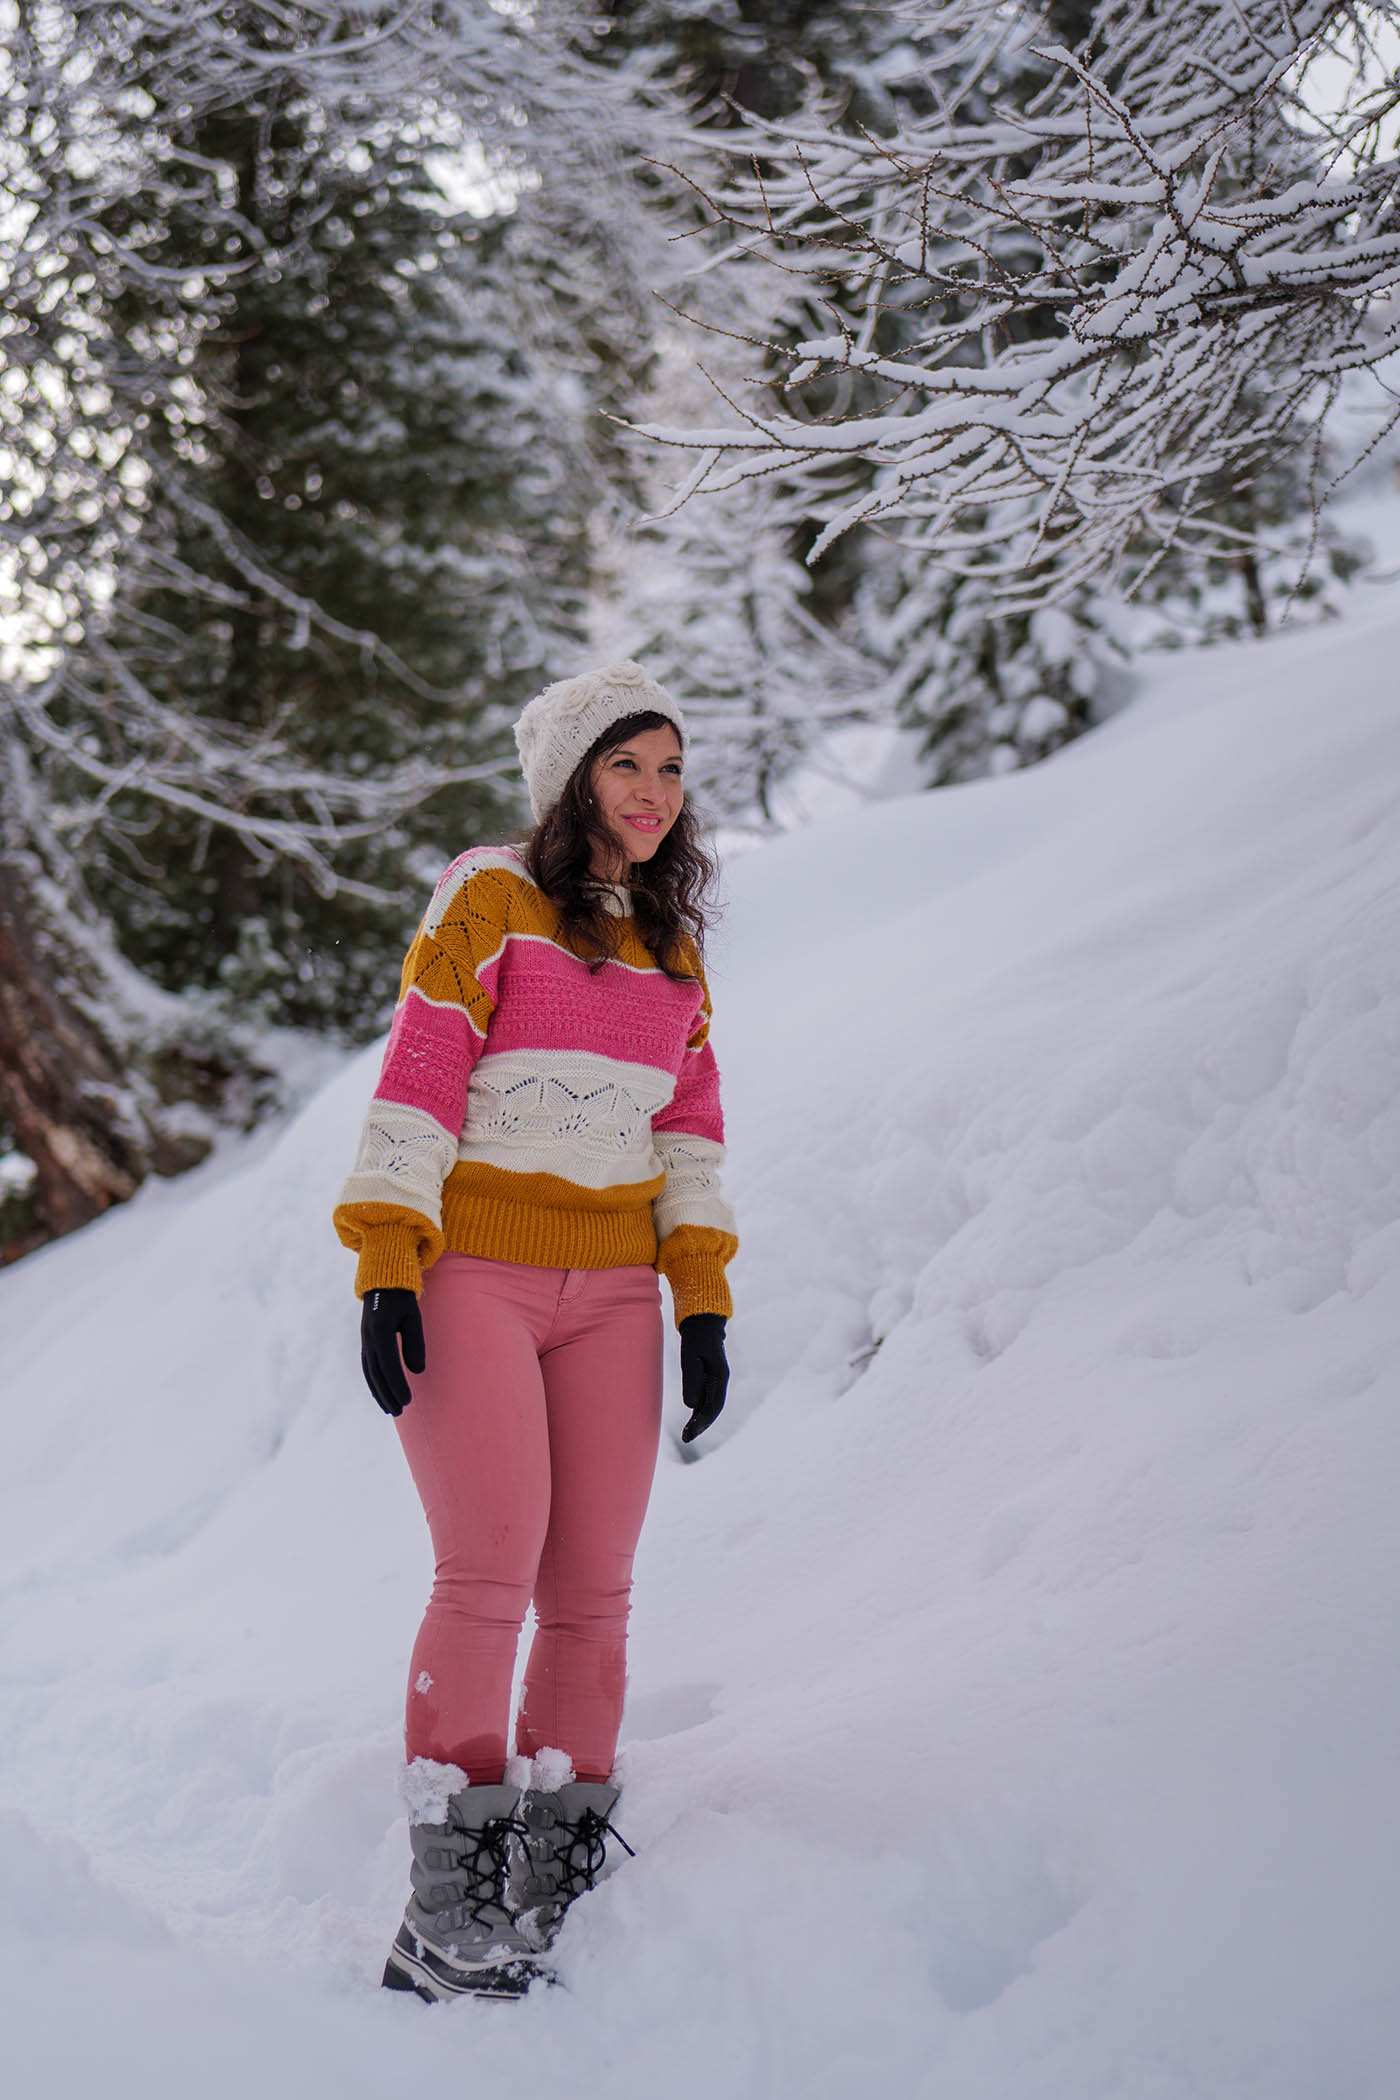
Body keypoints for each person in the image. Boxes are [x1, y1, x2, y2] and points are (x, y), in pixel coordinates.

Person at [332, 661, 738, 2002]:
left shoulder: (674, 951)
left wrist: (702, 1302)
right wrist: (389, 1258)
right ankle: (447, 1913)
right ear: (572, 777)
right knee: (488, 1571)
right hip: (477, 1278)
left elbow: (688, 1135)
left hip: (616, 1292)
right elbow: (423, 1073)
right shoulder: (489, 897)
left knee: (595, 1596)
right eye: (631, 764)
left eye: (673, 770)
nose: (655, 793)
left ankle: (545, 1893)